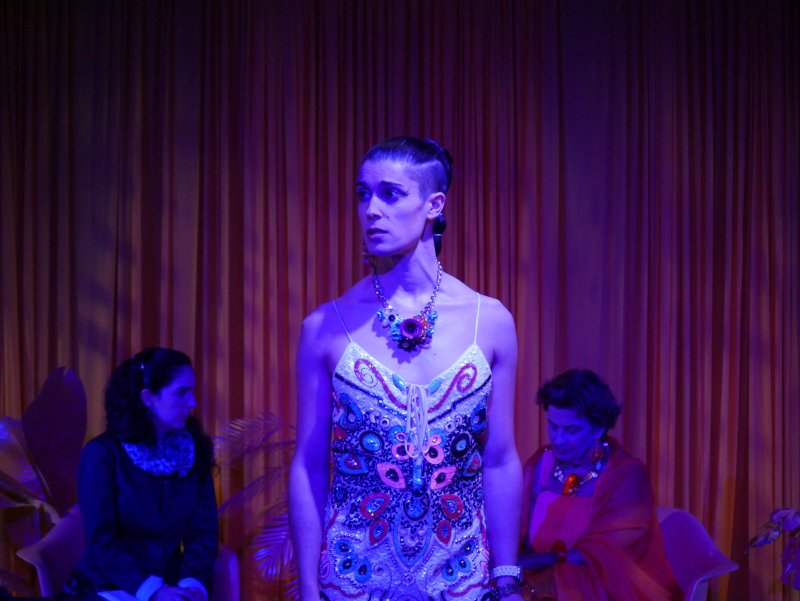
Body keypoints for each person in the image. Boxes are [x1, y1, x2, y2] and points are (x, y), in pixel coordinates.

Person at [289, 136, 524, 600]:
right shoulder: (324, 326)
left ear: (434, 204)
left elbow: (499, 459)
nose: (370, 209)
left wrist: (508, 577)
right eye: (362, 194)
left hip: (461, 581)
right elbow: (310, 464)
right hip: (353, 581)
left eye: (390, 193)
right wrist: (308, 590)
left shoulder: (490, 321)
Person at [68, 347, 218, 601]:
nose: (192, 402)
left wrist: (192, 584)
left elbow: (203, 532)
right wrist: (151, 591)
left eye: (191, 391)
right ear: (148, 398)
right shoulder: (103, 454)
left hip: (170, 585)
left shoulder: (192, 450)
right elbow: (102, 540)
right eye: (181, 392)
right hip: (109, 585)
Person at [519, 369, 680, 601]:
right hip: (534, 578)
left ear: (599, 428)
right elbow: (515, 532)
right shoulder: (539, 464)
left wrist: (532, 567)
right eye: (553, 426)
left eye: (571, 430)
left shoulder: (627, 476)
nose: (558, 438)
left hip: (605, 586)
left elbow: (600, 555)